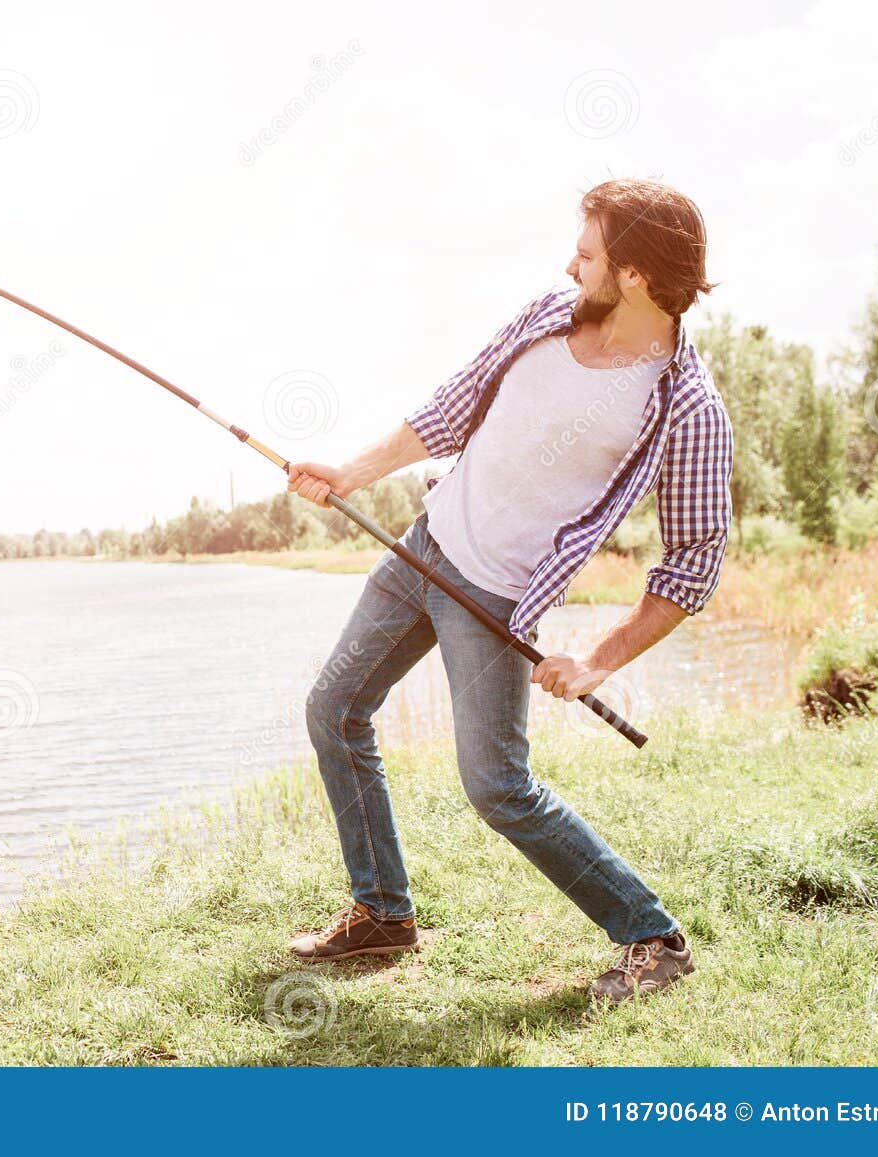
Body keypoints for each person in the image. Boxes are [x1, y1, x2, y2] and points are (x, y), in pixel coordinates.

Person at [285, 178, 733, 1003]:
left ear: (635, 274)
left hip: (493, 599)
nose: (572, 264)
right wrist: (349, 471)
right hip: (422, 548)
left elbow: (694, 559)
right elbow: (454, 408)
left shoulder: (687, 408)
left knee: (497, 787)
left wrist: (598, 659)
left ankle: (653, 937)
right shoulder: (545, 315)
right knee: (334, 709)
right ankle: (382, 913)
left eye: (589, 252)